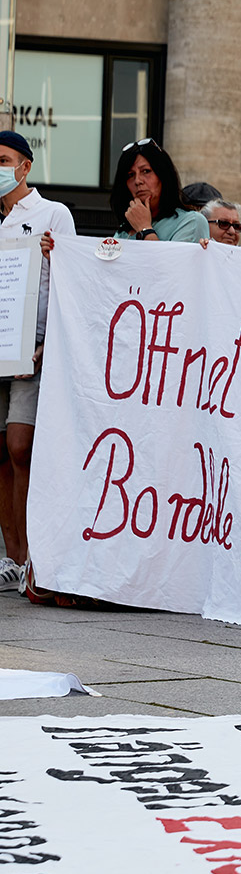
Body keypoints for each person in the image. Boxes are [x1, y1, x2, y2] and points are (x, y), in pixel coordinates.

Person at [0, 131, 75, 592]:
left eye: (3, 159)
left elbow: (73, 277)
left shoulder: (53, 214)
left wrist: (53, 343)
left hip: (33, 350)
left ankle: (29, 555)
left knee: (20, 447)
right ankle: (9, 559)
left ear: (25, 166)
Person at [110, 139, 209, 243]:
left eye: (146, 171)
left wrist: (145, 229)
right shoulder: (124, 231)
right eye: (131, 175)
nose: (137, 181)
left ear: (163, 176)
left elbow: (171, 260)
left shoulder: (191, 221)